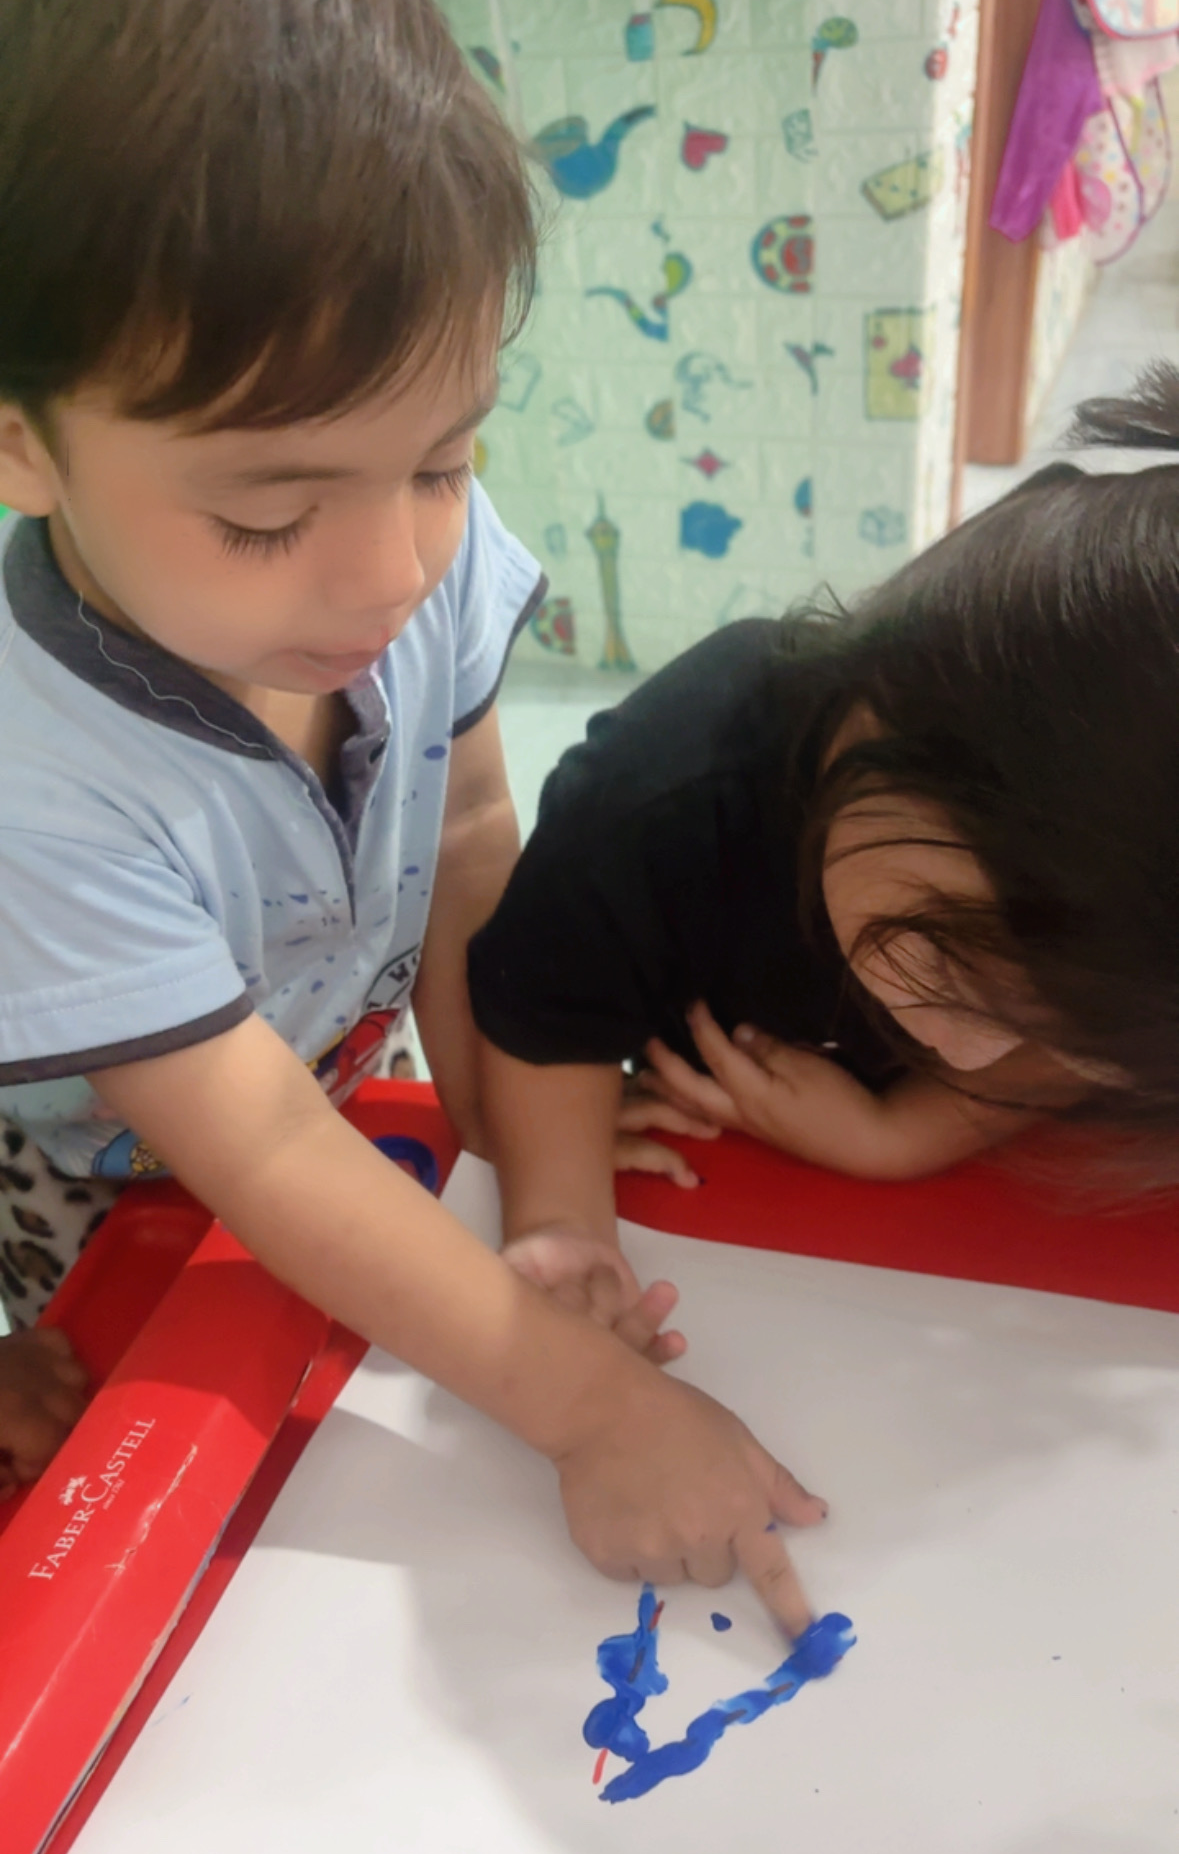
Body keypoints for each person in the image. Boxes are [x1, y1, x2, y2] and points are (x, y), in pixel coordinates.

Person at [0, 0, 825, 1629]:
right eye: (266, 514)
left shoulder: (396, 558)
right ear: (21, 443)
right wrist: (587, 1405)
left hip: (290, 1077)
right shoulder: (33, 786)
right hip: (80, 1155)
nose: (390, 573)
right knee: (91, 1430)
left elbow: (463, 848)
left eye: (444, 461)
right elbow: (258, 1156)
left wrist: (519, 1162)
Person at [470, 383, 1179, 1271]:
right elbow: (542, 1013)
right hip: (707, 1160)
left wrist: (901, 1135)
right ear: (886, 730)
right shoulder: (663, 794)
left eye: (1048, 1030)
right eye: (949, 969)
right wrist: (559, 1222)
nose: (967, 1053)